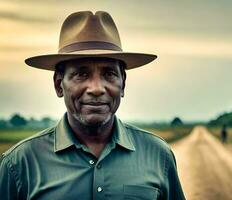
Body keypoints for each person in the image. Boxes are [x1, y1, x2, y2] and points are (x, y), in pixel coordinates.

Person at [0, 11, 185, 200]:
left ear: (123, 83)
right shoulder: (20, 164)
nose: (96, 89)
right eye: (81, 74)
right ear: (58, 84)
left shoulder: (158, 155)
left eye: (109, 73)